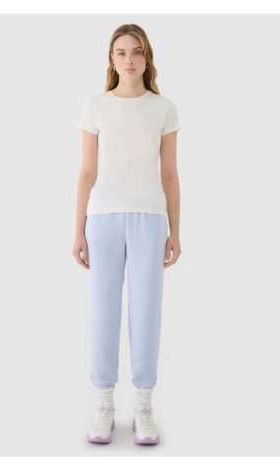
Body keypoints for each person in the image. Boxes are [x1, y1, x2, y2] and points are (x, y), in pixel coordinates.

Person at [72, 24, 182, 445]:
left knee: (146, 309)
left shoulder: (163, 107)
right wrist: (78, 231)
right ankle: (103, 404)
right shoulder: (96, 106)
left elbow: (169, 174)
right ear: (112, 59)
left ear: (146, 57)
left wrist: (175, 231)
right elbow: (86, 172)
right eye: (121, 52)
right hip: (102, 218)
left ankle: (143, 406)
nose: (129, 59)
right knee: (102, 309)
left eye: (137, 52)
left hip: (150, 218)